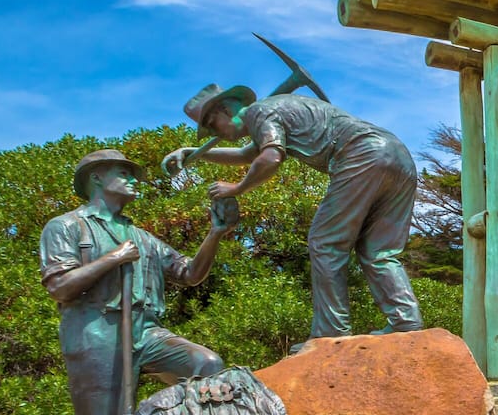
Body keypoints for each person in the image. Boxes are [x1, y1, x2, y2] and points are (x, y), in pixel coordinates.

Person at [164, 84, 423, 342]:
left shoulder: (258, 111)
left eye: (212, 125)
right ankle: (406, 320)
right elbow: (247, 154)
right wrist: (193, 154)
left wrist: (237, 188)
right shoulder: (271, 111)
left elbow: (270, 158)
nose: (215, 133)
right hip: (397, 156)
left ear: (225, 109)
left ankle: (330, 332)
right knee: (378, 251)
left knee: (325, 242)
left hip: (361, 154)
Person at [40, 149, 233, 414]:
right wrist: (114, 258)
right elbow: (59, 287)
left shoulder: (141, 237)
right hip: (96, 333)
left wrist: (216, 233)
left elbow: (190, 274)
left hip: (146, 331)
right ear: (96, 177)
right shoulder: (66, 226)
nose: (133, 180)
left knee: (207, 365)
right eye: (124, 174)